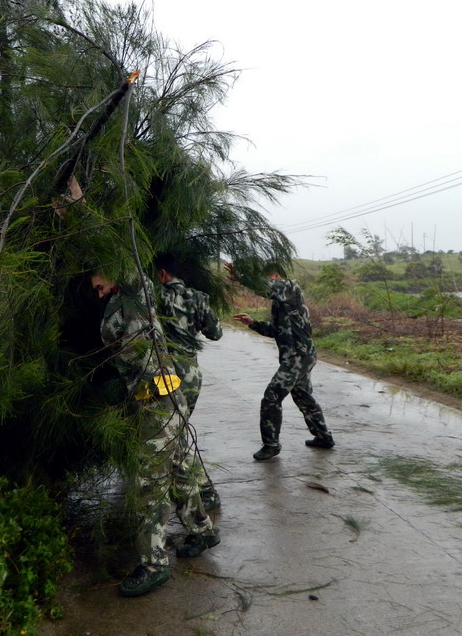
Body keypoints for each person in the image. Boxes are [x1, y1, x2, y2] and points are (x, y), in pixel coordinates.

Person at [90, 270, 220, 597]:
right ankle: (202, 530)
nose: (99, 293)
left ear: (114, 270)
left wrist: (72, 215)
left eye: (99, 285)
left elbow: (120, 245)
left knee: (149, 484)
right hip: (158, 398)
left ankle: (154, 564)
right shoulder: (118, 302)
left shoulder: (137, 291)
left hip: (159, 400)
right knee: (177, 469)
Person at [226, 261, 335, 460]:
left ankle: (271, 444)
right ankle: (323, 437)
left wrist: (242, 278)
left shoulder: (289, 287)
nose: (267, 282)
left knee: (272, 396)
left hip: (298, 356)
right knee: (304, 397)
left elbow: (265, 288)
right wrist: (253, 323)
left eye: (267, 278)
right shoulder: (280, 302)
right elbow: (276, 331)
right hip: (299, 356)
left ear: (275, 276)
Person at [154, 252, 223, 511]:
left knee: (175, 437)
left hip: (168, 375)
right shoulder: (199, 297)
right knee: (178, 433)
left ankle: (205, 492)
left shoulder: (156, 297)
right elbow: (215, 333)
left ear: (162, 274)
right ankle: (199, 491)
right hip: (193, 375)